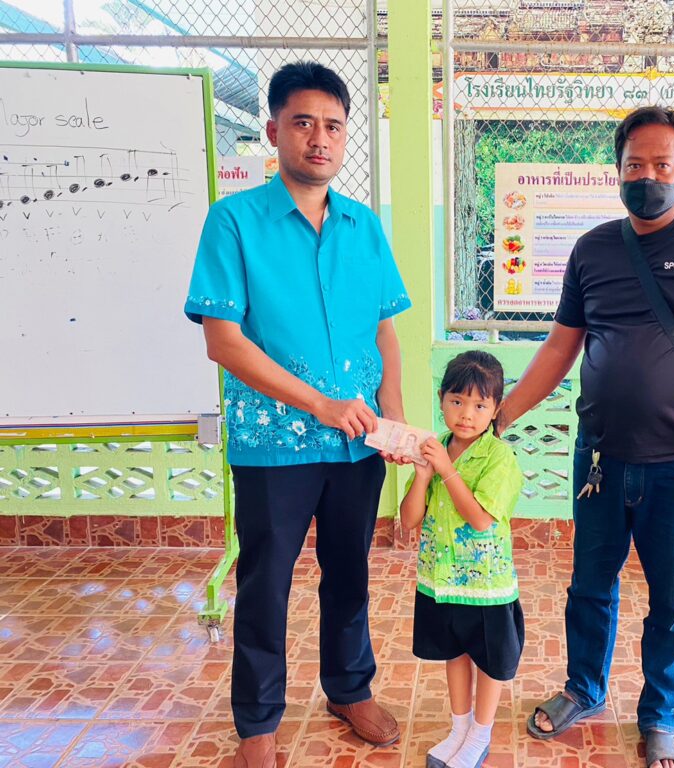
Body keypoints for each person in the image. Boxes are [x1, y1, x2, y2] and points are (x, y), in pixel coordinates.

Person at [496, 106, 674, 768]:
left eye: (661, 165)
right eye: (634, 165)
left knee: (673, 602)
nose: (647, 177)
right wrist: (500, 417)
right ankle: (584, 689)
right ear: (616, 171)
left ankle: (661, 715)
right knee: (590, 586)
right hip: (600, 460)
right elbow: (560, 347)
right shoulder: (592, 250)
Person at [184, 61, 411, 768]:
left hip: (357, 447)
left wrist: (394, 422)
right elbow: (223, 341)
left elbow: (384, 331)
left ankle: (349, 689)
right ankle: (257, 724)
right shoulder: (234, 222)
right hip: (273, 447)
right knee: (266, 583)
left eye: (334, 126)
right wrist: (320, 405)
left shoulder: (364, 227)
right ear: (274, 129)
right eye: (304, 123)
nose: (320, 139)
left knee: (350, 573)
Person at [400, 351, 525, 768]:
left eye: (479, 405)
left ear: (495, 409)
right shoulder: (435, 449)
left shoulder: (499, 459)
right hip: (441, 581)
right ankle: (459, 729)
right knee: (454, 653)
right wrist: (423, 476)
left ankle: (480, 735)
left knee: (488, 662)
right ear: (441, 399)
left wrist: (446, 471)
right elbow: (409, 519)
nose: (466, 414)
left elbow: (480, 519)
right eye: (456, 401)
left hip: (485, 586)